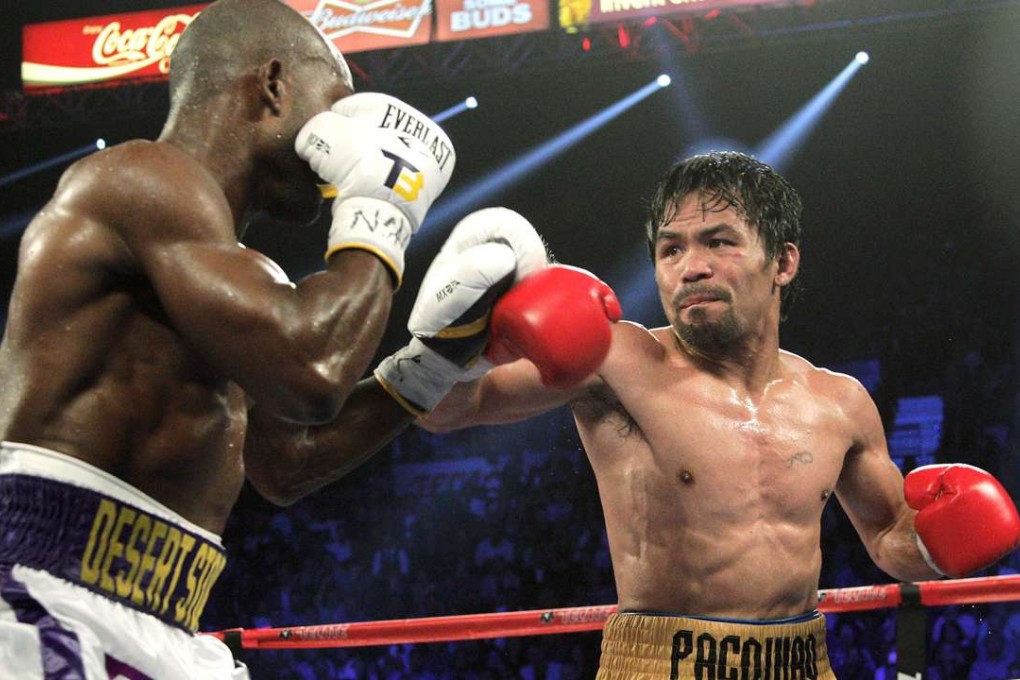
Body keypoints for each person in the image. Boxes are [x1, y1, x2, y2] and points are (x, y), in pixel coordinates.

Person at [408, 151, 1020, 678]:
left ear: (782, 263)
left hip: (803, 662)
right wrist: (456, 345)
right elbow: (448, 410)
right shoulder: (616, 357)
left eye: (718, 242)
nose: (689, 267)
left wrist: (944, 543)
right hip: (658, 665)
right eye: (670, 249)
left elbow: (890, 538)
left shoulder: (839, 400)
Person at [0, 0, 468, 675]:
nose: (348, 135)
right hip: (45, 591)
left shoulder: (247, 277)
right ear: (274, 85)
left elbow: (288, 460)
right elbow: (311, 368)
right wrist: (385, 206)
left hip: (165, 617)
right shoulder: (139, 178)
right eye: (336, 103)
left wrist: (436, 361)